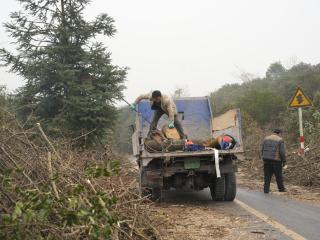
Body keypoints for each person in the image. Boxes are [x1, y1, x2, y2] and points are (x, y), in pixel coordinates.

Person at [261, 129, 287, 193]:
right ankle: (281, 189)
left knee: (267, 176)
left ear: (273, 132)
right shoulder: (280, 140)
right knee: (278, 176)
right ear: (279, 133)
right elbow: (282, 152)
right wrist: (284, 161)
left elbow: (262, 149)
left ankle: (266, 189)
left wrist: (263, 157)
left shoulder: (266, 138)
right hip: (276, 161)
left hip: (266, 160)